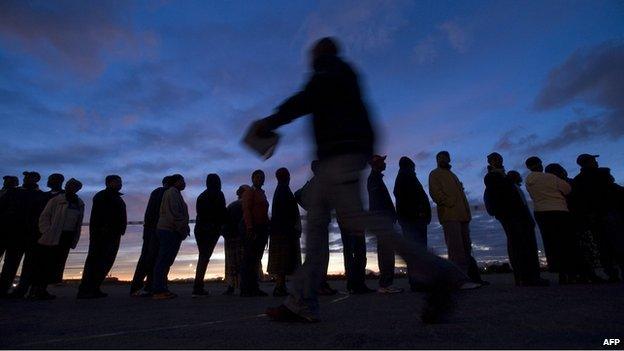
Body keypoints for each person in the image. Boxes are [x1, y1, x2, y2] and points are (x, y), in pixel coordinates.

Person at [255, 37, 473, 324]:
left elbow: (304, 101)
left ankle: (440, 272)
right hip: (344, 156)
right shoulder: (347, 77)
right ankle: (301, 302)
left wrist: (270, 122)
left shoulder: (327, 75)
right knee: (318, 229)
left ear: (320, 55)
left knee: (355, 220)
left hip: (339, 158)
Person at [294, 160, 369, 295]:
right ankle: (317, 285)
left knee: (321, 254)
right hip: (319, 221)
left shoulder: (317, 182)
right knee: (320, 254)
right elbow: (299, 195)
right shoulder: (317, 182)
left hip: (321, 220)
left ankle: (320, 284)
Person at [483, 153, 546, 286]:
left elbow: (520, 201)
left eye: (499, 158)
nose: (498, 160)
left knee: (528, 244)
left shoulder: (506, 177)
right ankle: (524, 277)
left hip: (521, 216)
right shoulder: (492, 177)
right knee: (518, 244)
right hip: (510, 216)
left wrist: (528, 218)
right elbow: (499, 194)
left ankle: (532, 275)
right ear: (490, 162)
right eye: (494, 159)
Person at [429, 152, 486, 285]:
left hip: (463, 216)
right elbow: (435, 193)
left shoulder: (452, 174)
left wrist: (467, 212)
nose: (443, 159)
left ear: (449, 159)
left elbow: (461, 196)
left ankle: (470, 278)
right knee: (456, 250)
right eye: (440, 158)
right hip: (449, 216)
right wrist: (450, 202)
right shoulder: (434, 174)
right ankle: (458, 281)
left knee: (466, 248)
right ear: (437, 160)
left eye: (445, 157)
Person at [525, 156, 583, 284]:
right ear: (540, 164)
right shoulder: (550, 177)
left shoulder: (528, 180)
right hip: (559, 211)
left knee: (552, 243)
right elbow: (567, 189)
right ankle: (572, 273)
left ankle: (561, 273)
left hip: (541, 212)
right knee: (567, 242)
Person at [545, 163, 604, 284]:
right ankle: (585, 274)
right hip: (574, 219)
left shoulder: (552, 188)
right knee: (581, 248)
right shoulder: (568, 184)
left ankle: (571, 274)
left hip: (566, 219)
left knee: (568, 248)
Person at [570, 154, 624, 282]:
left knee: (602, 246)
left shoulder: (578, 180)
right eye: (594, 160)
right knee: (619, 243)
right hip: (610, 213)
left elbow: (579, 201)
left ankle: (611, 273)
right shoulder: (603, 174)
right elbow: (614, 191)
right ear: (590, 162)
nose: (596, 162)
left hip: (594, 217)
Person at [29, 179, 84, 300]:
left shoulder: (79, 202)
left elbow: (78, 221)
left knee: (56, 264)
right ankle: (36, 289)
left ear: (78, 189)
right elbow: (45, 216)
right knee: (44, 263)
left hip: (67, 236)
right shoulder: (56, 200)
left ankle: (43, 290)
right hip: (53, 236)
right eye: (70, 185)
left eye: (75, 186)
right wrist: (46, 231)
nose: (71, 188)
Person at [78, 175, 127, 298]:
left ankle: (94, 288)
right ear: (109, 183)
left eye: (120, 182)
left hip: (113, 233)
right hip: (102, 234)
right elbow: (100, 216)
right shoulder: (102, 196)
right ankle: (86, 290)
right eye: (117, 182)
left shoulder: (115, 197)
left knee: (106, 261)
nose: (120, 184)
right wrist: (102, 230)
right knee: (96, 261)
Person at [0, 171, 46, 298]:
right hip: (14, 234)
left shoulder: (40, 196)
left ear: (36, 180)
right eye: (26, 177)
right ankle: (4, 289)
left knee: (27, 264)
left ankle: (21, 290)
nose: (26, 179)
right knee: (10, 263)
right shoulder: (13, 192)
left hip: (32, 235)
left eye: (29, 177)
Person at [393, 156, 431, 291]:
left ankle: (419, 281)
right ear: (409, 166)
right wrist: (418, 213)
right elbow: (410, 198)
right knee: (417, 251)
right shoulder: (406, 176)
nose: (414, 169)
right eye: (413, 166)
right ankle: (418, 282)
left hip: (413, 220)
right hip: (413, 221)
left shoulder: (406, 177)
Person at [131, 176, 172, 296]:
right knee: (151, 258)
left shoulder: (156, 192)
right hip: (156, 230)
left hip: (150, 229)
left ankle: (145, 286)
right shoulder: (164, 193)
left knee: (148, 258)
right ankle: (145, 286)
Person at [367, 154, 403, 294]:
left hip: (383, 220)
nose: (385, 163)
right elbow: (377, 203)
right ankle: (385, 284)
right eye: (382, 161)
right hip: (382, 221)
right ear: (377, 163)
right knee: (386, 252)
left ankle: (386, 283)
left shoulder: (376, 179)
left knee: (386, 251)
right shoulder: (374, 179)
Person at [153, 174, 190, 300]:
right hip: (169, 230)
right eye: (182, 180)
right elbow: (174, 212)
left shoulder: (175, 193)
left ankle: (162, 287)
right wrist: (182, 228)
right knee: (164, 260)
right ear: (176, 182)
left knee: (166, 261)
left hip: (170, 229)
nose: (184, 183)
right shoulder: (172, 192)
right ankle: (158, 289)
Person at [192, 173, 228, 297]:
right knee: (204, 257)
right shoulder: (218, 195)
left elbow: (203, 215)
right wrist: (220, 227)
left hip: (203, 230)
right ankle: (197, 287)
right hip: (208, 231)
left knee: (203, 257)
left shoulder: (202, 196)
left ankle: (198, 286)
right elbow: (222, 213)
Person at [268, 168, 302, 297]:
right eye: (287, 175)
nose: (288, 177)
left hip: (281, 230)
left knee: (282, 260)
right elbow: (286, 213)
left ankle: (280, 286)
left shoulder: (282, 190)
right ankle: (279, 287)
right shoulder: (283, 190)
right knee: (283, 260)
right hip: (284, 231)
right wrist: (292, 229)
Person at [240, 170, 270, 297]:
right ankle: (247, 288)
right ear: (252, 178)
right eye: (257, 177)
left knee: (256, 259)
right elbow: (246, 210)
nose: (259, 179)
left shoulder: (261, 193)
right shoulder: (249, 192)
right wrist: (250, 228)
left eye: (261, 177)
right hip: (253, 229)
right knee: (250, 259)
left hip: (262, 229)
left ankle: (253, 287)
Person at [223, 185, 250, 295]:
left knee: (231, 263)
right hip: (241, 237)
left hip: (229, 237)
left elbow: (224, 221)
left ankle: (231, 286)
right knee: (243, 262)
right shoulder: (246, 205)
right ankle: (244, 285)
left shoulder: (231, 205)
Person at [0, 176, 19, 262]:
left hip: (8, 229)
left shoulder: (17, 194)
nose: (6, 182)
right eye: (6, 181)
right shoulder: (2, 192)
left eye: (10, 181)